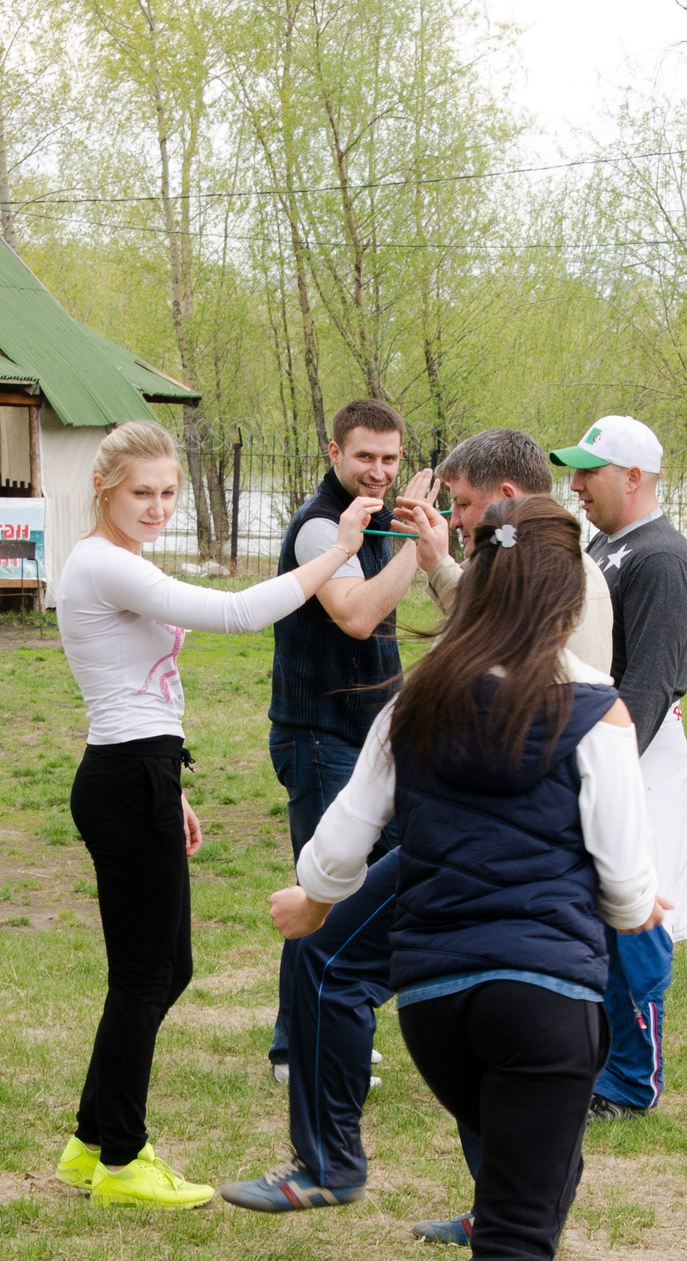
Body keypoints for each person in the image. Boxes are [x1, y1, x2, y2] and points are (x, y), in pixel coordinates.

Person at [268, 495, 663, 1261]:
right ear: (566, 601)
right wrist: (643, 905)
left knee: (522, 1195)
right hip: (545, 1003)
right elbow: (627, 893)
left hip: (436, 1006)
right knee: (520, 1236)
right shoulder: (597, 714)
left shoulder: (415, 702)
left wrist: (306, 901)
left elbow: (341, 846)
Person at [222, 427, 611, 1221]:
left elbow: (532, 668)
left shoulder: (563, 588)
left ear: (506, 503)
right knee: (476, 1006)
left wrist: (317, 893)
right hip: (498, 846)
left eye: (463, 508)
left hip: (489, 840)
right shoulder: (541, 569)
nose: (456, 521)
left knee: (357, 965)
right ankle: (492, 1198)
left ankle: (356, 1170)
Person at [54, 420, 379, 1209]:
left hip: (143, 772)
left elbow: (137, 695)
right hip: (126, 776)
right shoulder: (103, 563)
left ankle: (91, 1141)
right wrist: (336, 553)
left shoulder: (120, 560)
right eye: (142, 493)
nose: (157, 507)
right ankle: (124, 1160)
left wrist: (172, 786)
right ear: (104, 489)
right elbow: (236, 614)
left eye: (168, 493)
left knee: (170, 968)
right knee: (143, 976)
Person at [261, 399, 453, 1097]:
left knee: (398, 870)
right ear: (333, 452)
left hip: (375, 738)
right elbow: (358, 615)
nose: (378, 470)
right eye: (364, 455)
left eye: (390, 458)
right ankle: (298, 1043)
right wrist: (416, 550)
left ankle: (345, 1014)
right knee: (326, 881)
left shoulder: (375, 519)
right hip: (318, 735)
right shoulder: (320, 528)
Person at [548, 417, 687, 1117]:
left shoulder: (661, 558)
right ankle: (601, 1062)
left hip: (634, 750)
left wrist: (601, 760)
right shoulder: (607, 547)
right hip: (602, 743)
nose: (576, 485)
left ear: (633, 478)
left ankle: (633, 1078)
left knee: (638, 911)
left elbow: (651, 681)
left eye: (590, 472)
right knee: (602, 911)